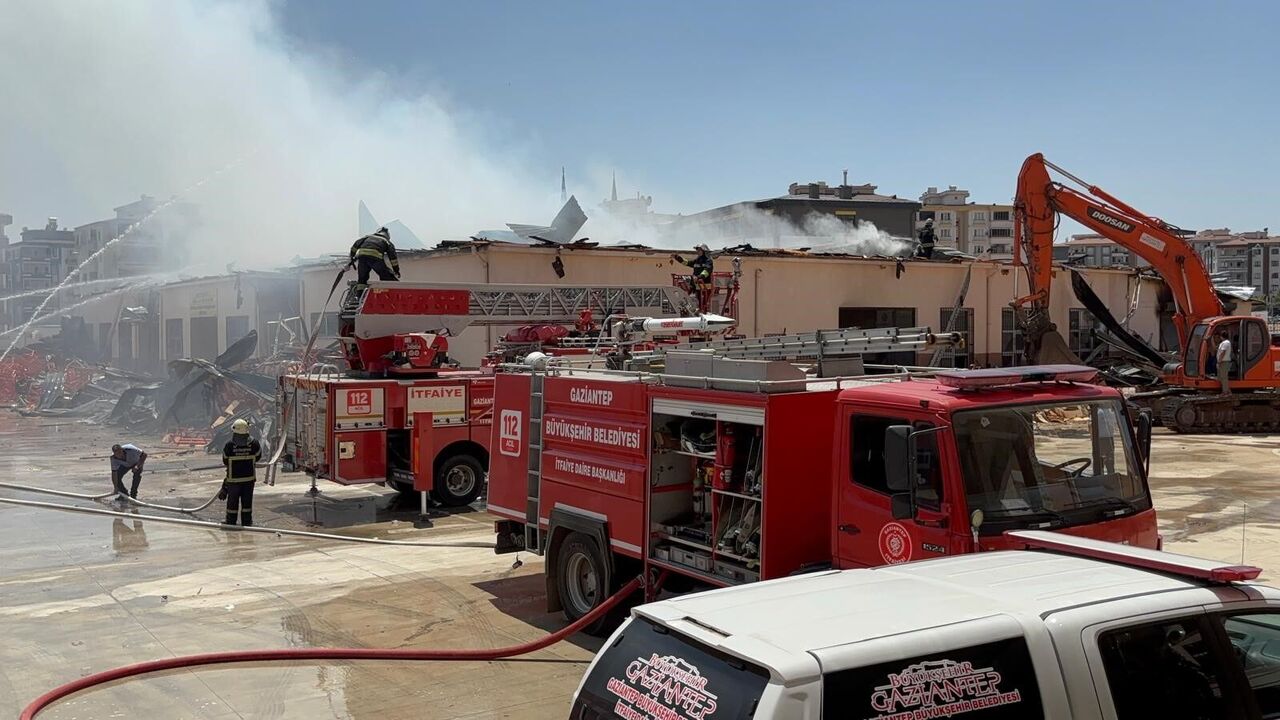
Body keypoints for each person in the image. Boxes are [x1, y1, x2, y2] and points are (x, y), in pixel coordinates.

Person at [221, 418, 262, 526]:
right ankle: (247, 522)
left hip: (233, 481)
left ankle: (231, 521)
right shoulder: (254, 443)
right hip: (249, 480)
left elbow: (225, 460)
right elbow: (258, 457)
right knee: (247, 502)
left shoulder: (229, 445)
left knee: (232, 502)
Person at [672, 244, 714, 311]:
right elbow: (687, 263)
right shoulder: (697, 260)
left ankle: (703, 312)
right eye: (697, 250)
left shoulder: (708, 261)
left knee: (703, 304)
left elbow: (707, 270)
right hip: (697, 285)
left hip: (705, 286)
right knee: (697, 302)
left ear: (704, 251)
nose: (697, 251)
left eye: (699, 250)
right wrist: (677, 257)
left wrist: (699, 277)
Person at [1215, 329, 1233, 396]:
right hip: (1223, 362)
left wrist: (1219, 361)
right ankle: (1228, 391)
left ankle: (1225, 392)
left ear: (1221, 336)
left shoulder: (1225, 343)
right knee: (1221, 377)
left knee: (1224, 377)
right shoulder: (1225, 343)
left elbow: (1223, 352)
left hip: (1223, 362)